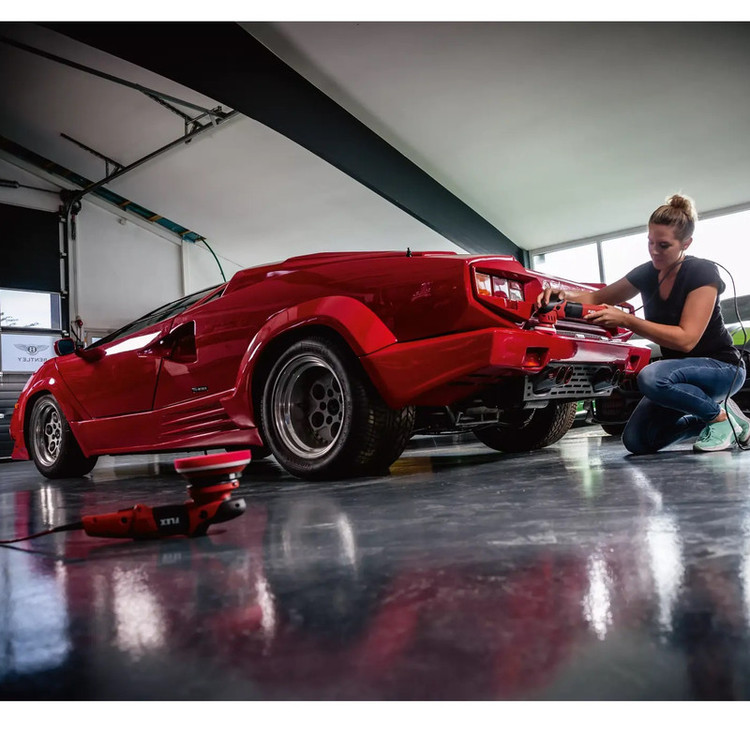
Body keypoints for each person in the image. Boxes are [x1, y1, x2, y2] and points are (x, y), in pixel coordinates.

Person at [537, 194, 748, 454]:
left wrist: (627, 320)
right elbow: (596, 298)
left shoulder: (702, 272)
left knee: (651, 376)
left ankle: (718, 419)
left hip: (722, 369)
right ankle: (729, 421)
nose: (654, 251)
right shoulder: (647, 273)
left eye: (663, 245)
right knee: (638, 440)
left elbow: (686, 339)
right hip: (677, 376)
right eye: (650, 242)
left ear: (686, 243)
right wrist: (562, 295)